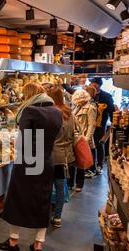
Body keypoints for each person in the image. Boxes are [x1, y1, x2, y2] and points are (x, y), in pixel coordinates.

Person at [0, 82, 62, 251]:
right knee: (42, 200)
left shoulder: (30, 111)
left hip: (27, 162)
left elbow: (22, 141)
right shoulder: (57, 112)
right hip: (46, 160)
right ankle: (38, 245)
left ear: (29, 95)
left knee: (18, 199)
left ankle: (13, 242)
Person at [47, 86, 75, 228]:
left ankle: (45, 213)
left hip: (51, 155)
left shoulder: (51, 114)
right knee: (59, 187)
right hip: (65, 156)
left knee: (46, 186)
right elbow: (74, 133)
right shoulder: (70, 113)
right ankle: (57, 217)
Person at [68, 89, 97, 193]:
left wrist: (86, 139)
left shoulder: (90, 108)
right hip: (74, 138)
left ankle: (79, 184)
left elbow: (92, 125)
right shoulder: (76, 108)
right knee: (72, 161)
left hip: (83, 138)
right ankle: (70, 182)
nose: (78, 102)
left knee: (81, 163)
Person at [88, 78, 114, 175]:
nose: (90, 84)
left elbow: (111, 110)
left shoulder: (106, 96)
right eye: (90, 82)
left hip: (100, 125)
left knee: (99, 144)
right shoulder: (89, 94)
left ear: (97, 85)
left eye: (92, 82)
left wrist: (113, 123)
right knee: (90, 144)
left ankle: (99, 165)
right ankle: (91, 166)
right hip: (89, 124)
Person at [84, 85, 98, 178]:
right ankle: (91, 169)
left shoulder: (91, 106)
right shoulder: (91, 104)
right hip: (86, 134)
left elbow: (92, 124)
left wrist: (87, 138)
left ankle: (92, 169)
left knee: (91, 150)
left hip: (87, 134)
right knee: (91, 150)